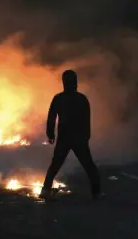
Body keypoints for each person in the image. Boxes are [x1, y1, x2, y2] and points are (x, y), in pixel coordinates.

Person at [39, 70, 103, 201]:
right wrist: (86, 136)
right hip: (79, 137)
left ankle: (45, 190)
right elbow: (86, 119)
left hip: (64, 137)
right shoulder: (81, 99)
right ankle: (96, 192)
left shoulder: (59, 98)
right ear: (75, 83)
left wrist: (50, 134)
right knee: (89, 166)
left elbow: (51, 118)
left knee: (55, 165)